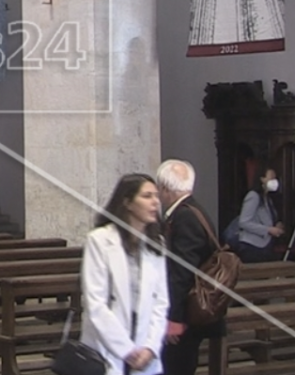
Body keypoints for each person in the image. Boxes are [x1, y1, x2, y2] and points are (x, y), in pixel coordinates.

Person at [81, 173, 169, 375]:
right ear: (127, 202)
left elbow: (161, 302)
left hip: (145, 346)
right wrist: (127, 351)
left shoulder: (156, 244)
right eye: (147, 196)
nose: (155, 202)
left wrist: (151, 347)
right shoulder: (100, 240)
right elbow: (95, 304)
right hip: (107, 346)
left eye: (156, 196)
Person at [156, 159, 225, 375]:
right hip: (189, 311)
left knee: (177, 367)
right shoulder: (194, 210)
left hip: (187, 313)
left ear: (165, 189)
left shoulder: (185, 216)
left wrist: (173, 319)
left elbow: (181, 273)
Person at [237, 164, 284, 263]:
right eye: (271, 178)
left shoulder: (267, 198)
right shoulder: (253, 196)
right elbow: (244, 222)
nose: (274, 181)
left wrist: (276, 225)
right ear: (262, 179)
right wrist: (268, 230)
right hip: (252, 245)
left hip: (264, 244)